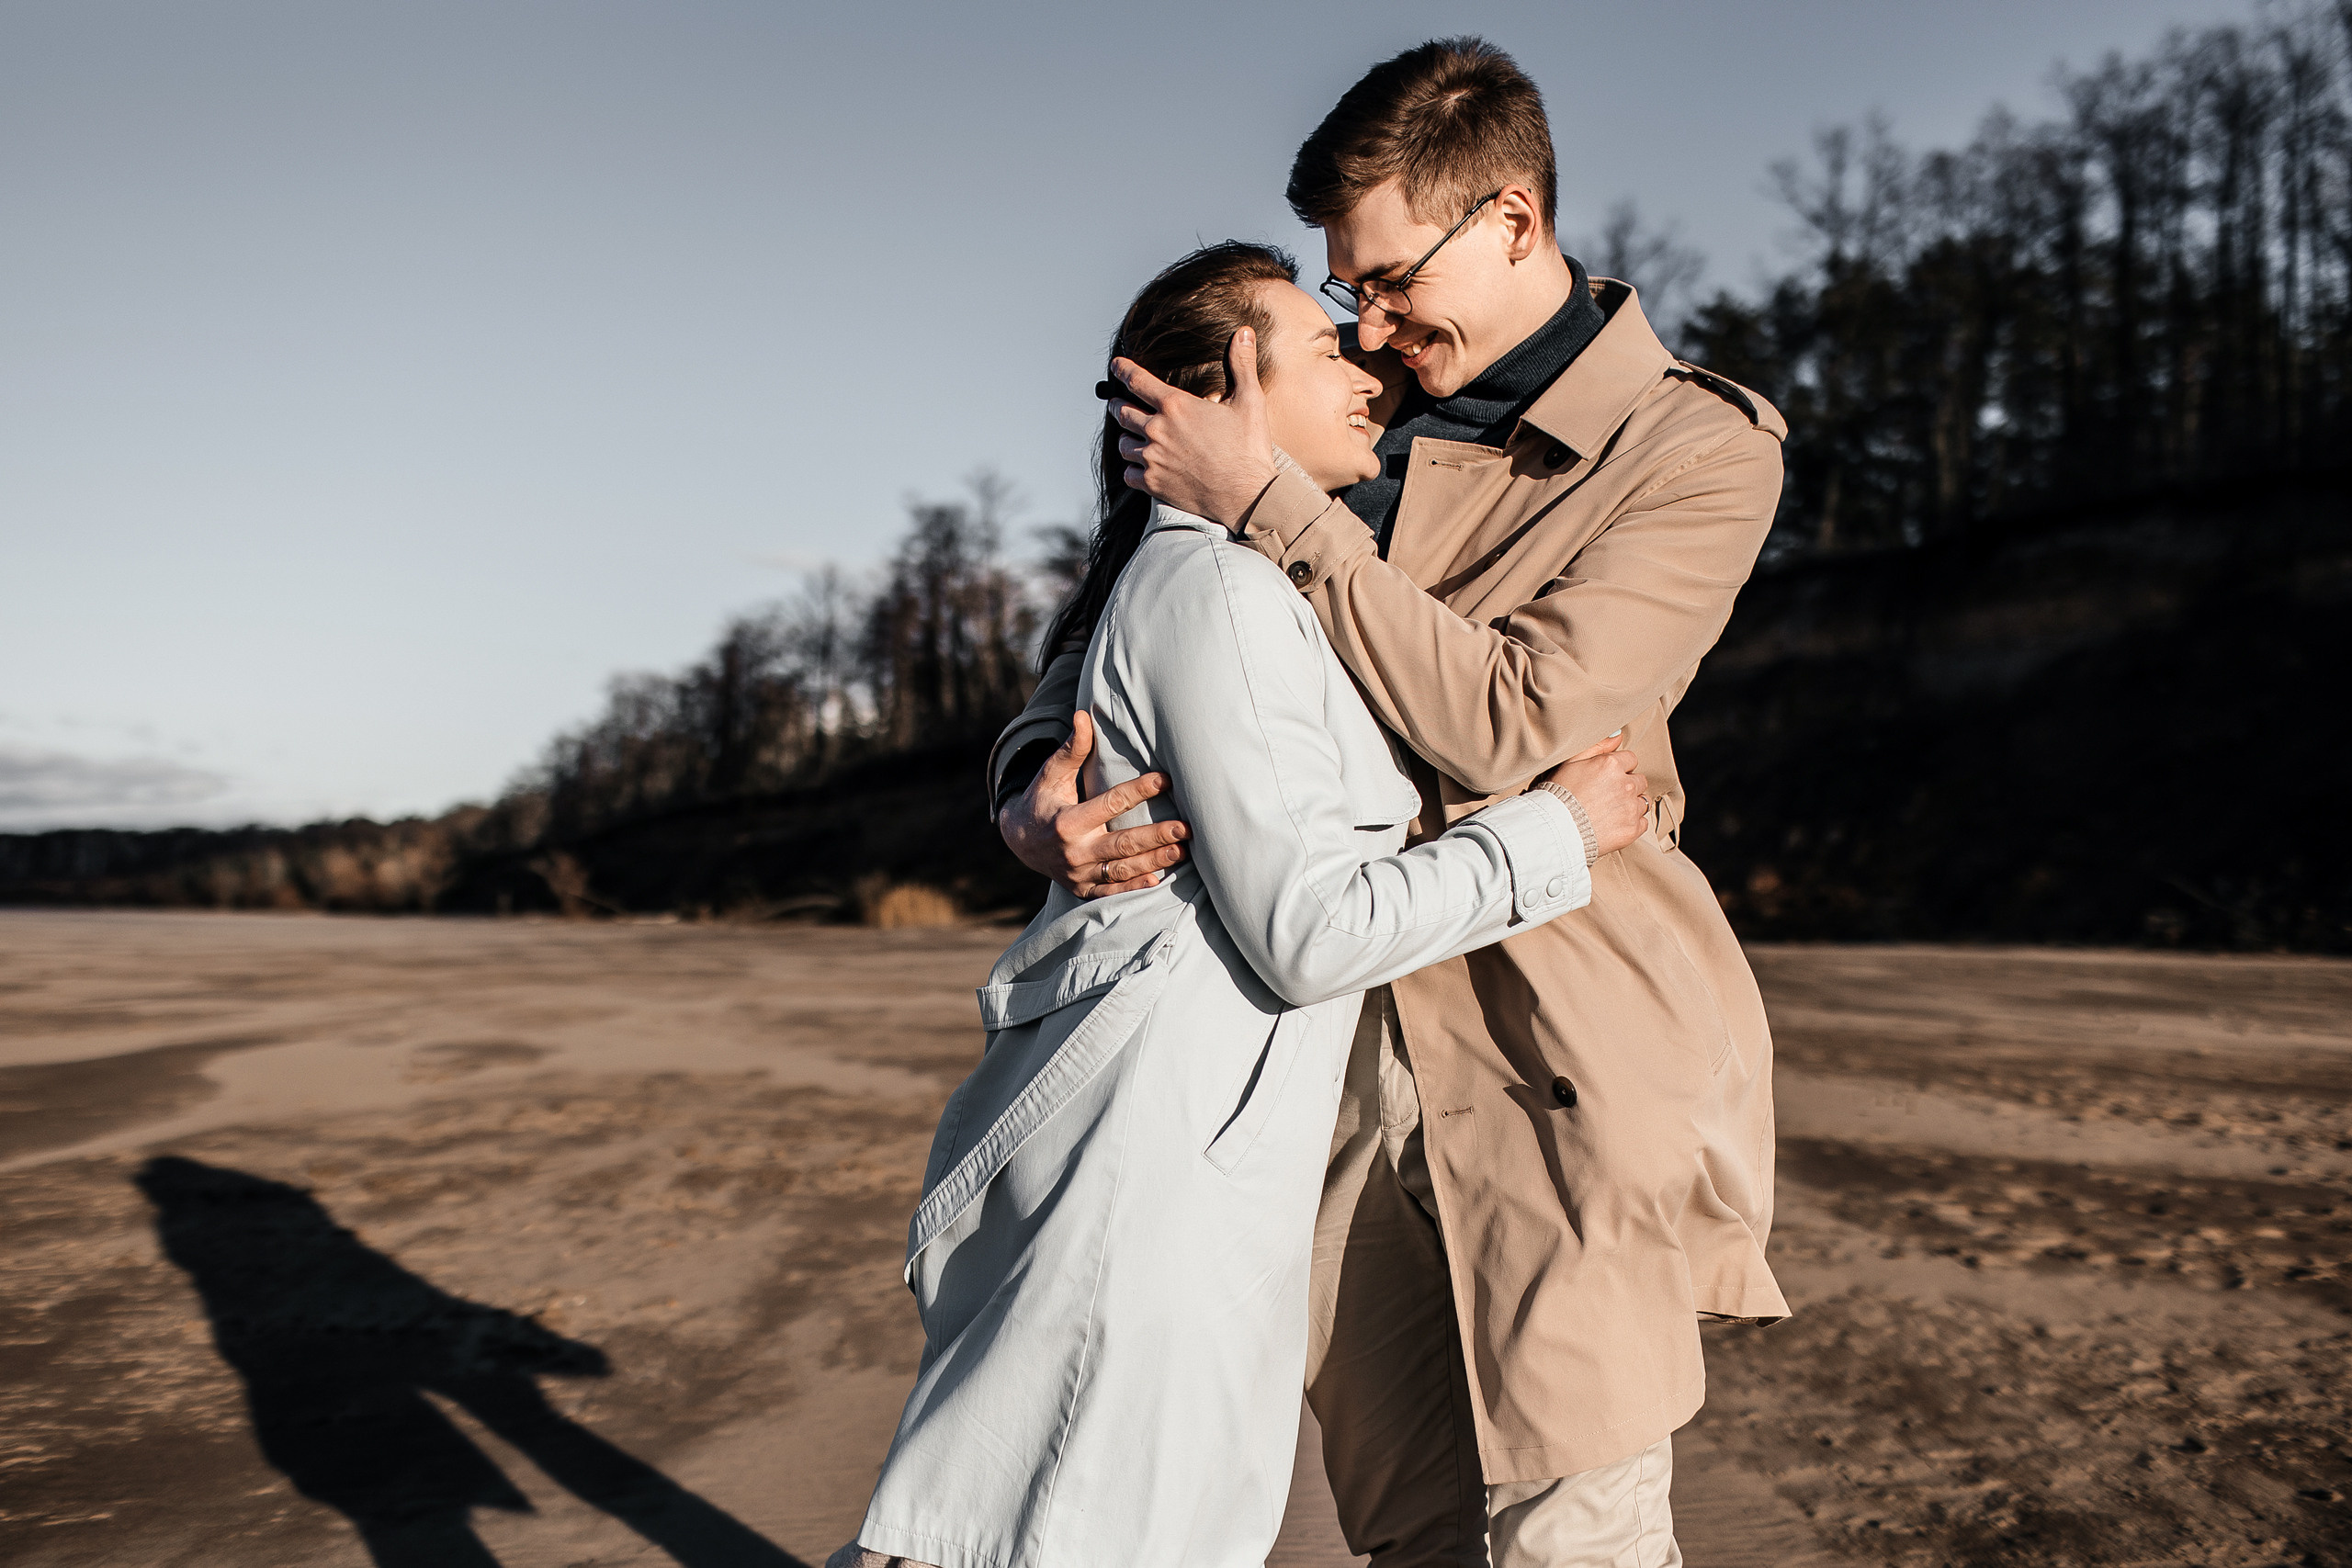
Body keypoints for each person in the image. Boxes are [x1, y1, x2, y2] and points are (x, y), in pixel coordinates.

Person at [993, 38, 1790, 1568]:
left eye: (1388, 275)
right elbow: (1106, 645)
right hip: (1316, 1054)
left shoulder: (1690, 446)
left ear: (1509, 219)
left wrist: (1274, 508)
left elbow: (1517, 717)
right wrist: (1030, 798)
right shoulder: (1336, 414)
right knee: (1410, 1533)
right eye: (1344, 288)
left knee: (1575, 1540)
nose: (1367, 320)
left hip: (1558, 1044)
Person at [832, 243, 1654, 1568]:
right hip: (1169, 1146)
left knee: (1034, 1519)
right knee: (1072, 1524)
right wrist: (1553, 834)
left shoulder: (1238, 567)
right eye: (1328, 340)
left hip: (1192, 1124)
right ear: (1225, 392)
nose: (1369, 357)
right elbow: (1309, 928)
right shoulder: (1218, 581)